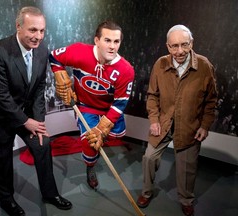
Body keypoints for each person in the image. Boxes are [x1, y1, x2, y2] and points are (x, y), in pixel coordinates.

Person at [0, 6, 72, 216]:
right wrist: (26, 121)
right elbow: (0, 95)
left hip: (24, 114)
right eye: (33, 30)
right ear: (18, 26)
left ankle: (49, 193)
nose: (38, 37)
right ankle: (6, 199)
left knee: (42, 145)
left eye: (42, 31)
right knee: (2, 159)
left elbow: (39, 88)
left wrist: (38, 122)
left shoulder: (43, 50)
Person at [136, 24, 218, 216]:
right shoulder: (160, 64)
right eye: (174, 46)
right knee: (149, 157)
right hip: (164, 124)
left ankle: (186, 199)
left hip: (189, 127)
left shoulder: (205, 66)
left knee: (187, 168)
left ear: (191, 43)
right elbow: (152, 96)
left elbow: (211, 101)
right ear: (167, 46)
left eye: (184, 45)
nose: (179, 51)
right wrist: (154, 120)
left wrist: (205, 126)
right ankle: (146, 192)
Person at [49, 21, 135, 190]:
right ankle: (90, 167)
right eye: (107, 40)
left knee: (114, 135)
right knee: (89, 142)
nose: (112, 46)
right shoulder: (79, 51)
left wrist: (102, 128)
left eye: (116, 42)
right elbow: (54, 57)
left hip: (109, 108)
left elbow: (120, 103)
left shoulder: (126, 70)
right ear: (96, 40)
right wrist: (59, 74)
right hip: (85, 106)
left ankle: (101, 140)